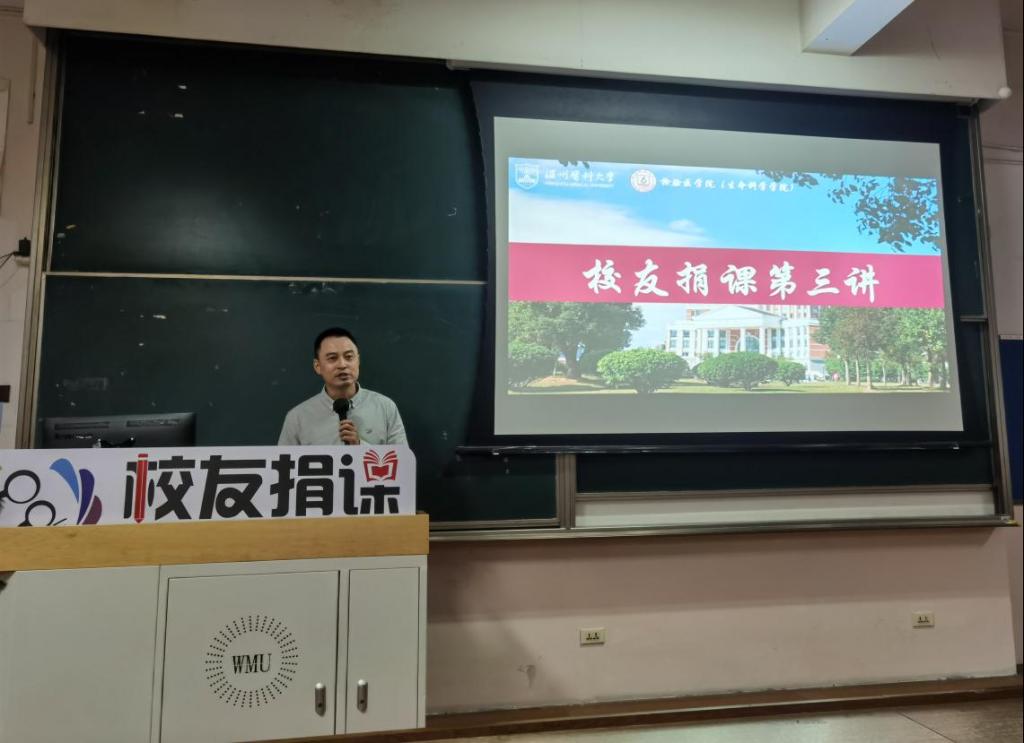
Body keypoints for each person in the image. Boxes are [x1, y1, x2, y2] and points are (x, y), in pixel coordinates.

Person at [278, 327, 407, 446]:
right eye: (332, 358)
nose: (342, 365)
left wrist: (359, 445)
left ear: (358, 360)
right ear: (317, 366)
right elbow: (283, 462)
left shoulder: (385, 408)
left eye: (349, 357)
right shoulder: (297, 418)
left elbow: (402, 460)